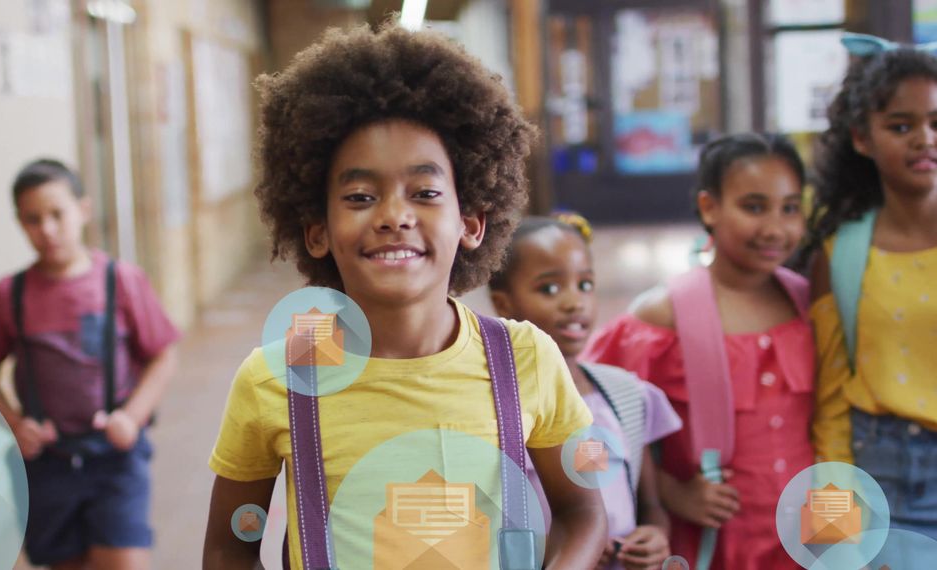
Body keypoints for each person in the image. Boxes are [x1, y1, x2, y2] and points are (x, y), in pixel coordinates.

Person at [201, 23, 607, 570]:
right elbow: (231, 546)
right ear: (317, 229)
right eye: (361, 195)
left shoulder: (526, 359)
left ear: (470, 221)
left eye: (425, 192)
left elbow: (583, 511)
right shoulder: (275, 379)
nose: (395, 216)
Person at [584, 133, 814, 569]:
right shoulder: (663, 315)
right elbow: (597, 417)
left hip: (803, 538)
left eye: (790, 208)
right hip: (713, 543)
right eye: (754, 206)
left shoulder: (806, 302)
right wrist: (670, 492)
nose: (775, 228)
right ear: (710, 207)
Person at [0, 159, 180, 570]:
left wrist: (133, 418)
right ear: (19, 222)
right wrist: (14, 424)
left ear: (82, 211)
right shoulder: (10, 294)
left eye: (56, 215)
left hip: (115, 458)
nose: (46, 230)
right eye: (33, 220)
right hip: (47, 464)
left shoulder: (121, 281)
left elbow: (162, 354)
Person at [488, 213, 683, 569]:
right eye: (549, 288)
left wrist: (654, 535)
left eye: (585, 285)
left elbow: (650, 506)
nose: (574, 301)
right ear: (504, 304)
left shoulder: (625, 395)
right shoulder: (499, 407)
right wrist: (566, 548)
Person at [805, 37, 937, 537]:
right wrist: (834, 519)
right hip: (881, 478)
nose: (924, 138)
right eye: (901, 126)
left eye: (935, 123)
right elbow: (832, 403)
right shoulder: (841, 255)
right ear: (862, 138)